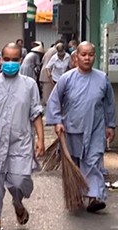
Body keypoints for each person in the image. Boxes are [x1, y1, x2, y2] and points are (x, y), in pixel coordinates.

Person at [0, 43, 45, 230]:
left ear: (21, 61)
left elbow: (36, 113)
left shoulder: (29, 85)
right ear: (1, 60)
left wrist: (41, 139)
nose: (11, 63)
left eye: (15, 60)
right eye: (7, 59)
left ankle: (17, 202)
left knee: (20, 180)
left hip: (20, 142)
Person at [46, 41, 116, 213]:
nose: (87, 58)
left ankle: (94, 197)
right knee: (75, 163)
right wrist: (57, 122)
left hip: (95, 129)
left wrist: (111, 125)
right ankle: (75, 193)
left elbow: (109, 104)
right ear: (76, 56)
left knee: (93, 162)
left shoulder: (102, 78)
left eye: (90, 55)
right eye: (83, 54)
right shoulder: (66, 79)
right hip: (72, 130)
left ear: (94, 56)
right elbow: (54, 101)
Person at [39, 41, 63, 105]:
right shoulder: (55, 52)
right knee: (49, 95)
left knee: (45, 93)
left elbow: (43, 60)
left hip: (44, 71)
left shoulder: (49, 50)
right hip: (48, 73)